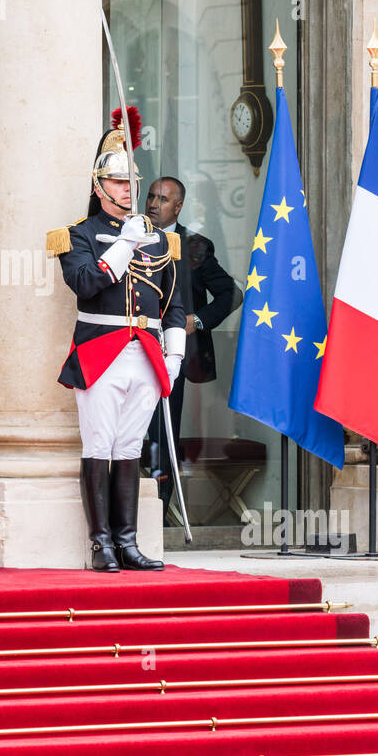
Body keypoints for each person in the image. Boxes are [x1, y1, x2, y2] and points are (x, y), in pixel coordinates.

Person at [49, 109, 186, 571]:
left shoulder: (160, 239)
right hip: (101, 351)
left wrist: (176, 354)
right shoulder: (77, 236)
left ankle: (127, 542)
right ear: (98, 186)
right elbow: (87, 283)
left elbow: (174, 303)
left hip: (146, 353)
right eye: (119, 181)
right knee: (100, 444)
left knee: (130, 446)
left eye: (133, 182)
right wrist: (125, 243)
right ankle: (100, 543)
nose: (130, 190)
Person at [144, 176, 239, 519]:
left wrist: (195, 321)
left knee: (162, 428)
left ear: (178, 206)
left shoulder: (195, 246)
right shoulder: (132, 236)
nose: (153, 204)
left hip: (173, 353)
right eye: (151, 196)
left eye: (163, 199)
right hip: (129, 348)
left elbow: (232, 293)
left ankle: (158, 509)